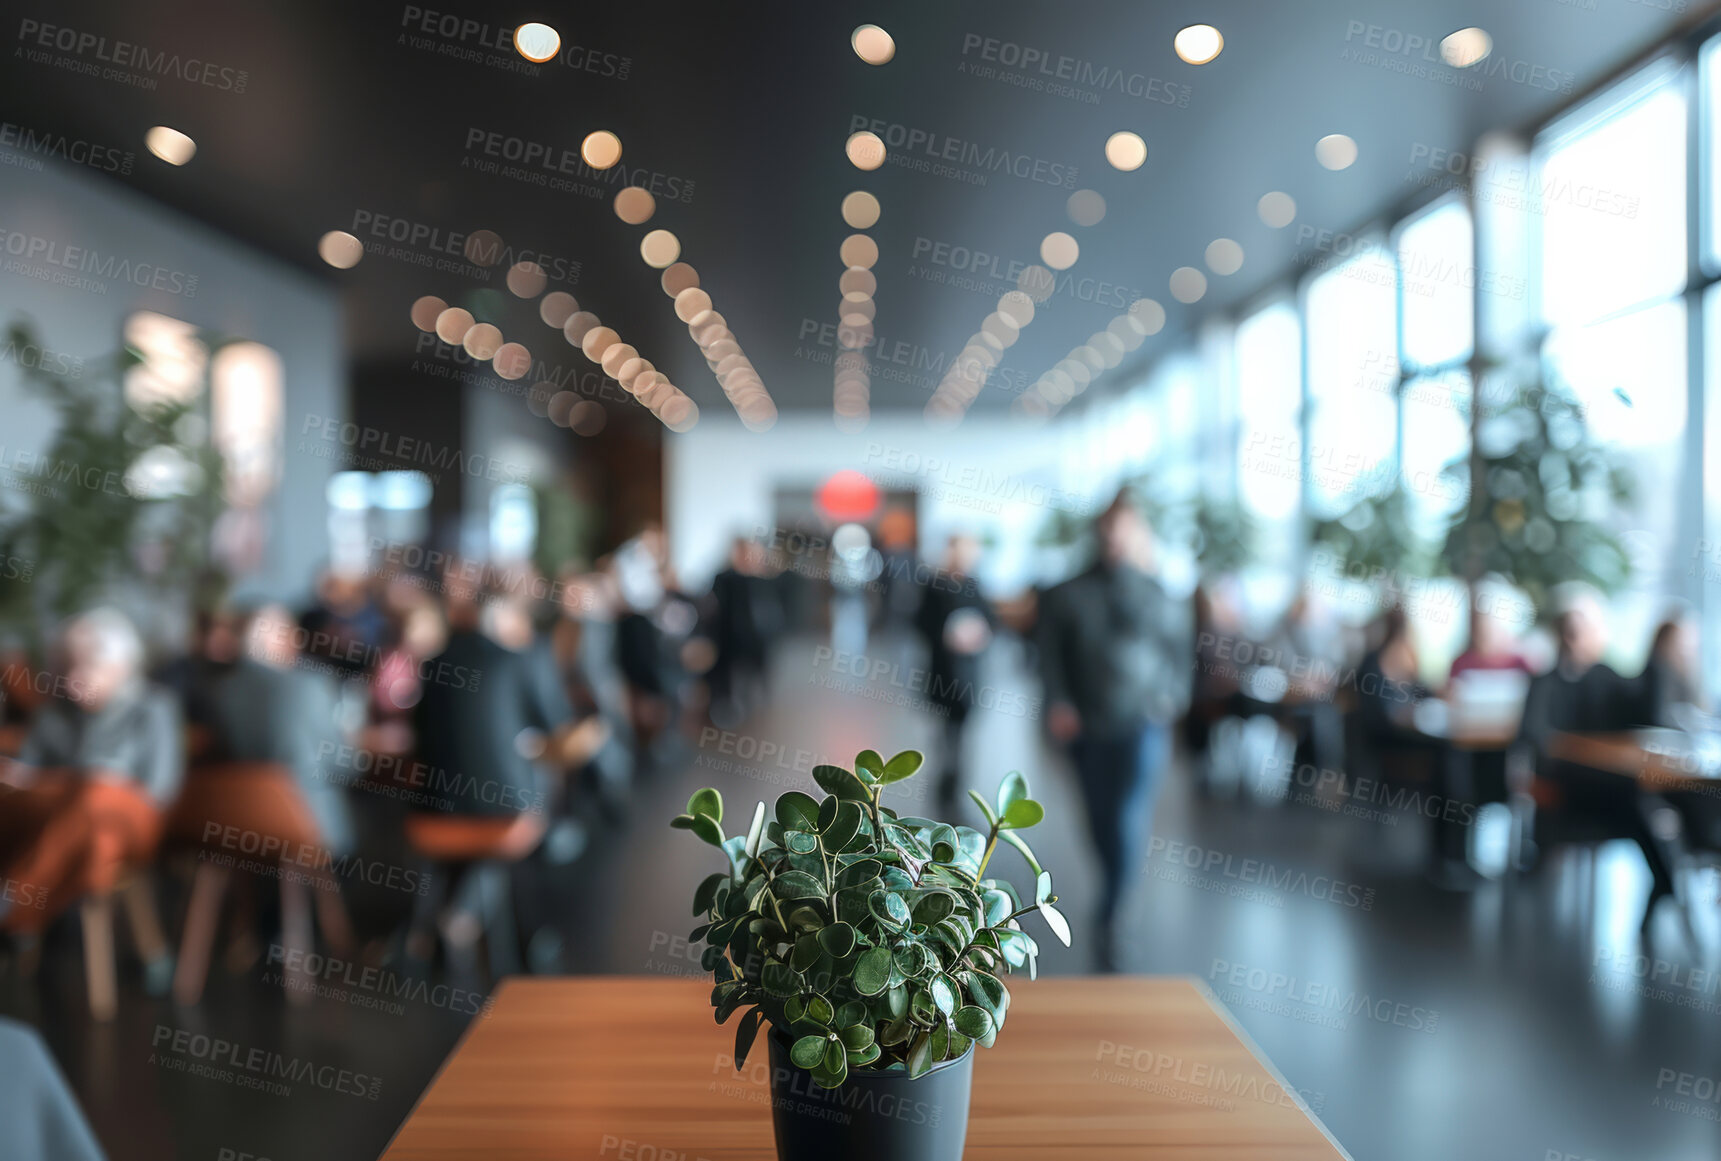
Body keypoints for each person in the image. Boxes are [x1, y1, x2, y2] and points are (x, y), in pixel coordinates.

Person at [1037, 492, 1190, 971]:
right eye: (1109, 531)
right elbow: (1050, 656)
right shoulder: (1067, 593)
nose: (1116, 540)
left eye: (1126, 531)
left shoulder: (1158, 593)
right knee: (1098, 816)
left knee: (1126, 811)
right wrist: (1058, 702)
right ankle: (1114, 885)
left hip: (1141, 722)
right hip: (1085, 722)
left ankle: (1114, 908)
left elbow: (1179, 654)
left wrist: (1170, 698)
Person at [0, 609, 182, 935]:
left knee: (96, 794)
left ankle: (13, 904)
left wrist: (81, 782)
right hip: (76, 825)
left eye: (87, 663)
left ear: (121, 667)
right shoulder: (53, 711)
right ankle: (23, 922)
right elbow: (25, 772)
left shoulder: (154, 707)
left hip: (134, 821)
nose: (72, 677)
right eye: (67, 663)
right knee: (98, 845)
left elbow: (160, 790)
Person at [1516, 587, 1680, 926]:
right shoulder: (1546, 682)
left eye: (1585, 628)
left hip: (1610, 784)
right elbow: (1532, 733)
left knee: (1642, 799)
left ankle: (1666, 882)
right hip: (1566, 783)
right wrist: (1565, 752)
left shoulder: (1605, 675)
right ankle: (1667, 881)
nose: (1577, 637)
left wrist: (1659, 660)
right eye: (1571, 628)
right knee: (1634, 799)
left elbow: (1647, 712)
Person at [197, 603, 354, 855]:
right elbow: (344, 764)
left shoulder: (219, 692)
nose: (298, 640)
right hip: (306, 823)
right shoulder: (309, 685)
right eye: (291, 632)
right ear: (281, 640)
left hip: (236, 824)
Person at [913, 534, 993, 805]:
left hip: (970, 671)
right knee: (945, 727)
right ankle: (945, 776)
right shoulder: (935, 585)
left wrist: (979, 633)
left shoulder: (975, 585)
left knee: (963, 726)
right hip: (943, 668)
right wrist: (947, 635)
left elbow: (990, 620)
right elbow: (920, 623)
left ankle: (958, 776)